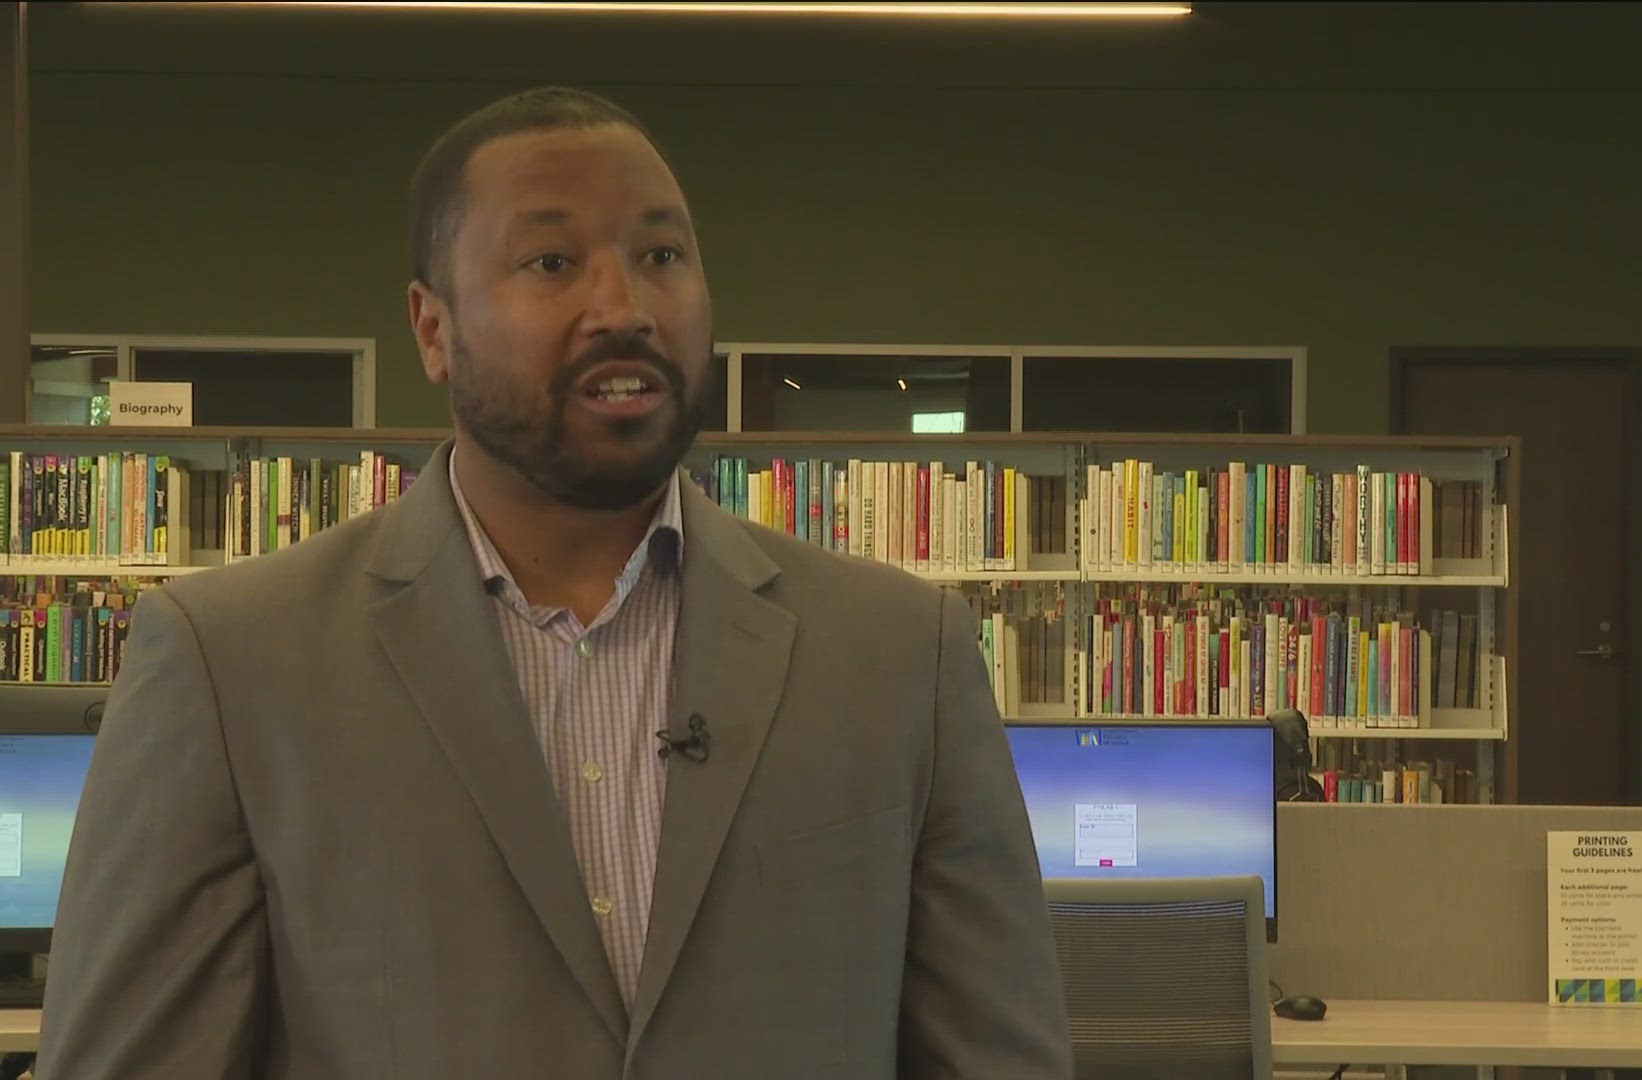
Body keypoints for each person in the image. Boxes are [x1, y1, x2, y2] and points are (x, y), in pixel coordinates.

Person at [37, 87, 1072, 1079]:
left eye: (661, 254)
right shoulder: (232, 663)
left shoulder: (901, 654)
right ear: (433, 330)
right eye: (552, 261)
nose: (622, 305)